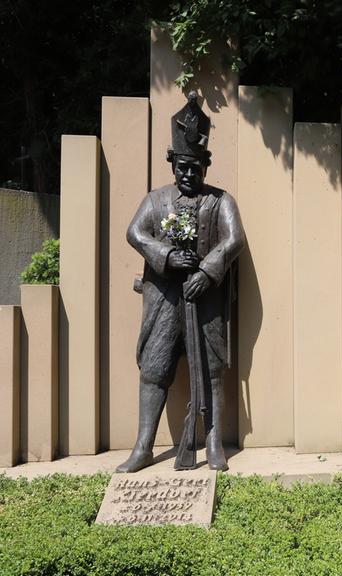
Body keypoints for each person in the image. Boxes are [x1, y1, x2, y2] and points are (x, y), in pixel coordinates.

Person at [116, 91, 245, 473]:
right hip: (163, 300)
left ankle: (214, 443)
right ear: (173, 165)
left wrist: (207, 271)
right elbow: (135, 234)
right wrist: (169, 256)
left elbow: (234, 239)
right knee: (154, 370)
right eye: (182, 168)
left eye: (195, 168)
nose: (188, 175)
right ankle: (143, 447)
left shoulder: (221, 201)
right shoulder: (155, 201)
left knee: (212, 370)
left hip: (204, 298)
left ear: (205, 167)